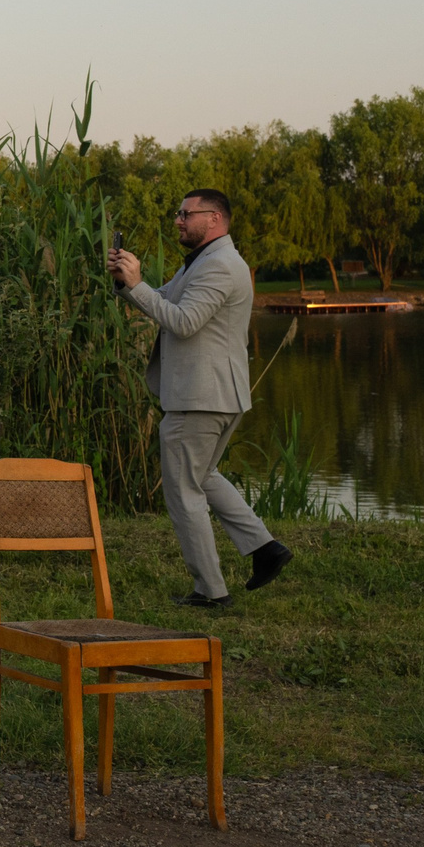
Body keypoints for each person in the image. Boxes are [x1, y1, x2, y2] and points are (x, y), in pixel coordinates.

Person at [109, 188, 294, 607]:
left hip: (199, 397)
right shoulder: (205, 262)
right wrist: (126, 284)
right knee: (204, 477)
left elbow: (184, 322)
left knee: (182, 490)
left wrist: (138, 286)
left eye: (185, 214)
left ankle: (210, 591)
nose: (178, 220)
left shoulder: (221, 267)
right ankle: (266, 549)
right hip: (215, 395)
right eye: (178, 213)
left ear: (214, 219)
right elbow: (167, 301)